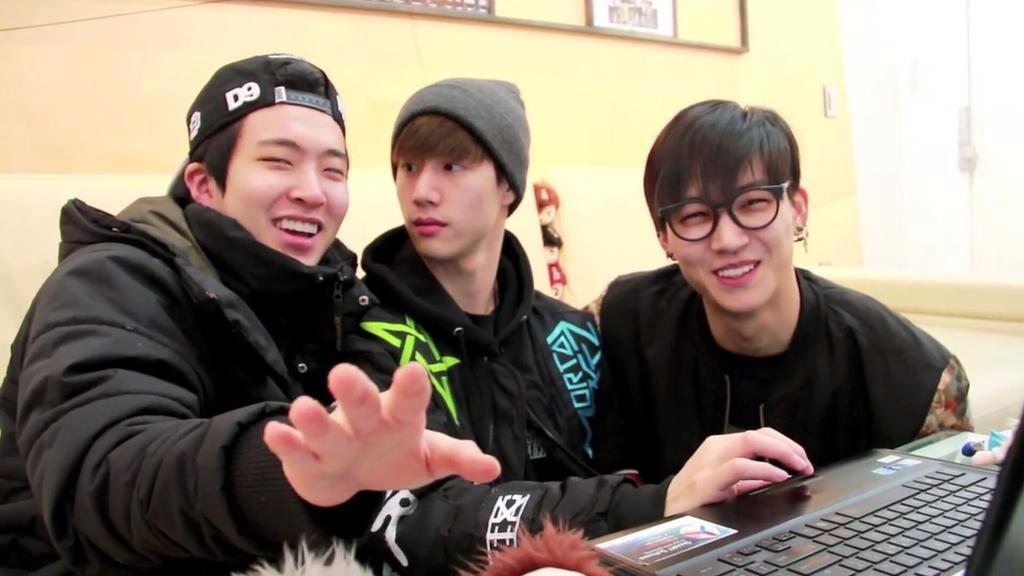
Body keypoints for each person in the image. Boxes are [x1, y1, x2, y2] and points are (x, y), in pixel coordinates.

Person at [0, 54, 498, 575]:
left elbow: (418, 482)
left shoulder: (341, 298)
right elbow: (104, 476)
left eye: (333, 170)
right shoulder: (110, 280)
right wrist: (286, 472)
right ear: (203, 184)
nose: (312, 192)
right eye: (279, 162)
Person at [298, 79, 813, 574]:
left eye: (452, 166)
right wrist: (649, 504)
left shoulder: (571, 333)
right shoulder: (370, 333)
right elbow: (422, 522)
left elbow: (625, 467)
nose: (421, 192)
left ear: (508, 185)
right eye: (408, 167)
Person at [591, 99, 973, 484]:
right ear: (664, 236)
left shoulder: (914, 378)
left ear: (798, 210)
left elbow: (953, 504)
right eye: (695, 215)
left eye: (753, 204)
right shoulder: (616, 325)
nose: (728, 240)